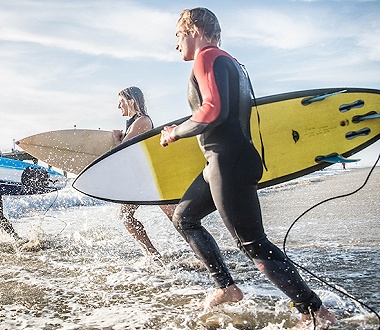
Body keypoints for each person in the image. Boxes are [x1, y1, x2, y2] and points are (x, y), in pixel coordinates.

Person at [158, 7, 336, 328]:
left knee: (253, 243)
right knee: (185, 218)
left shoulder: (207, 57)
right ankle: (226, 287)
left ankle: (314, 312)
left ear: (194, 30)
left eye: (178, 35)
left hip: (229, 163)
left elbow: (212, 111)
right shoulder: (233, 64)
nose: (176, 44)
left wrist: (174, 132)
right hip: (224, 162)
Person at [113, 86, 175, 260]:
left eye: (121, 102)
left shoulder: (142, 121)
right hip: (140, 179)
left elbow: (121, 151)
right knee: (126, 216)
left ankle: (202, 249)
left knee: (176, 217)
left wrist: (117, 138)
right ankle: (153, 254)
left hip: (152, 177)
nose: (118, 106)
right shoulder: (133, 123)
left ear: (131, 101)